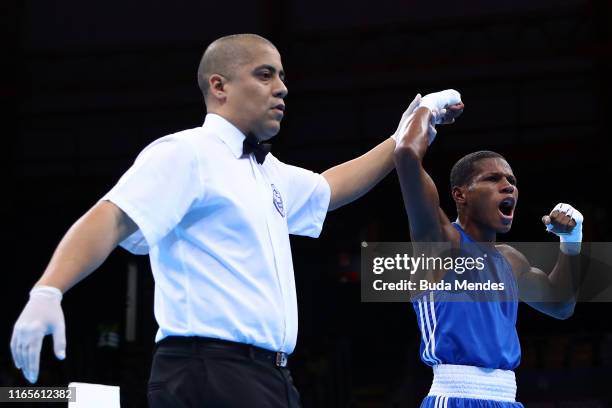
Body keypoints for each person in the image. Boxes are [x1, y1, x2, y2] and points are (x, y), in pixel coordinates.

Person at [9, 33, 449, 407]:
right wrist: (49, 289)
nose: (281, 88)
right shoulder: (186, 153)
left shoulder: (267, 171)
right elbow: (110, 218)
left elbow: (330, 189)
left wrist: (405, 133)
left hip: (271, 376)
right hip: (207, 371)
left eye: (281, 76)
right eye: (264, 74)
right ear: (219, 86)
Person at [393, 90, 583, 407]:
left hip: (508, 399)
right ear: (460, 194)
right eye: (493, 179)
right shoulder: (439, 241)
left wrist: (572, 240)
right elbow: (405, 155)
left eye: (511, 180)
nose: (508, 185)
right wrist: (430, 106)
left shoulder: (510, 260)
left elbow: (561, 305)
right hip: (455, 396)